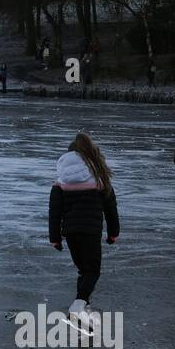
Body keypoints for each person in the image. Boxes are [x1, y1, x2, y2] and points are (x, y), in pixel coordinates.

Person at [49, 133, 120, 330]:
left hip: (70, 232)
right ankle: (79, 304)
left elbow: (54, 212)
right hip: (91, 232)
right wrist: (113, 232)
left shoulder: (61, 182)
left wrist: (54, 238)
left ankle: (84, 305)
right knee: (92, 270)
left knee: (83, 269)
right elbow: (111, 208)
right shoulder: (100, 179)